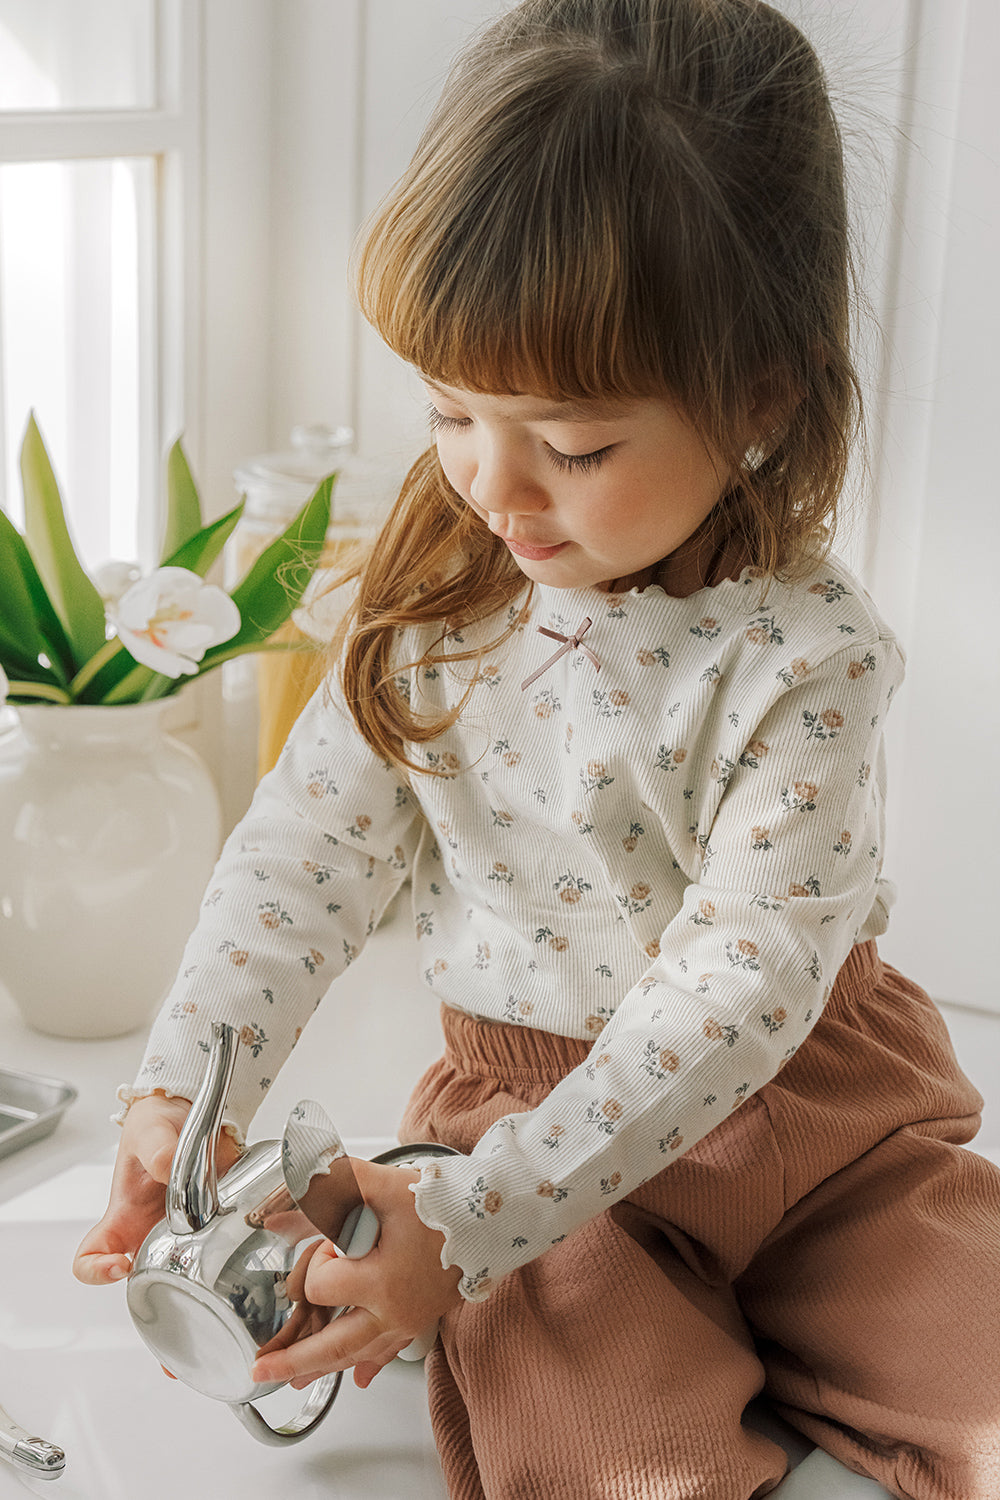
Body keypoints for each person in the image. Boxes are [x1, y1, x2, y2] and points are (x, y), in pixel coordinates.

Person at [74, 2, 1000, 1496]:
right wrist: (187, 1088)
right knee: (618, 1463)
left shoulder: (806, 656)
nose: (493, 484)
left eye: (571, 445)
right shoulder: (433, 600)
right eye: (450, 410)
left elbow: (744, 978)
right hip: (536, 1169)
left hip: (830, 1132)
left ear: (760, 396)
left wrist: (482, 1212)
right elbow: (308, 852)